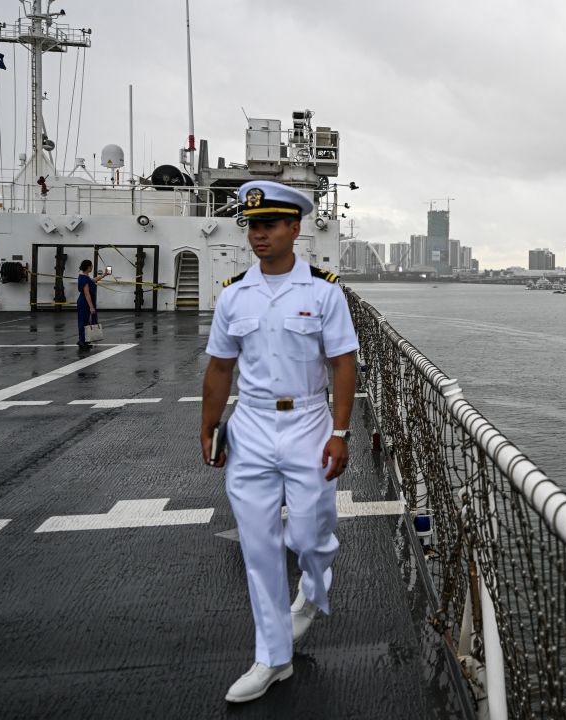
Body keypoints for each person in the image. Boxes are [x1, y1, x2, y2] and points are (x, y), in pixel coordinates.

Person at [200, 180, 359, 703]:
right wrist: (209, 423)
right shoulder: (234, 294)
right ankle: (273, 658)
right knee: (259, 548)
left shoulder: (323, 291)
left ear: (295, 228)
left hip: (309, 421)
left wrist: (340, 432)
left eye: (269, 225)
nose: (259, 235)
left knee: (312, 534)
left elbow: (342, 363)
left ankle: (311, 594)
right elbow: (221, 365)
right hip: (250, 426)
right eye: (252, 226)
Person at [76, 259, 109, 349]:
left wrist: (103, 275)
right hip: (84, 302)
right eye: (91, 266)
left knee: (86, 321)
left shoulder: (84, 277)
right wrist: (91, 307)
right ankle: (82, 341)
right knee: (83, 321)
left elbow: (93, 280)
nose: (92, 267)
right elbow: (87, 294)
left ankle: (84, 340)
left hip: (84, 302)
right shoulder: (84, 278)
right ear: (88, 267)